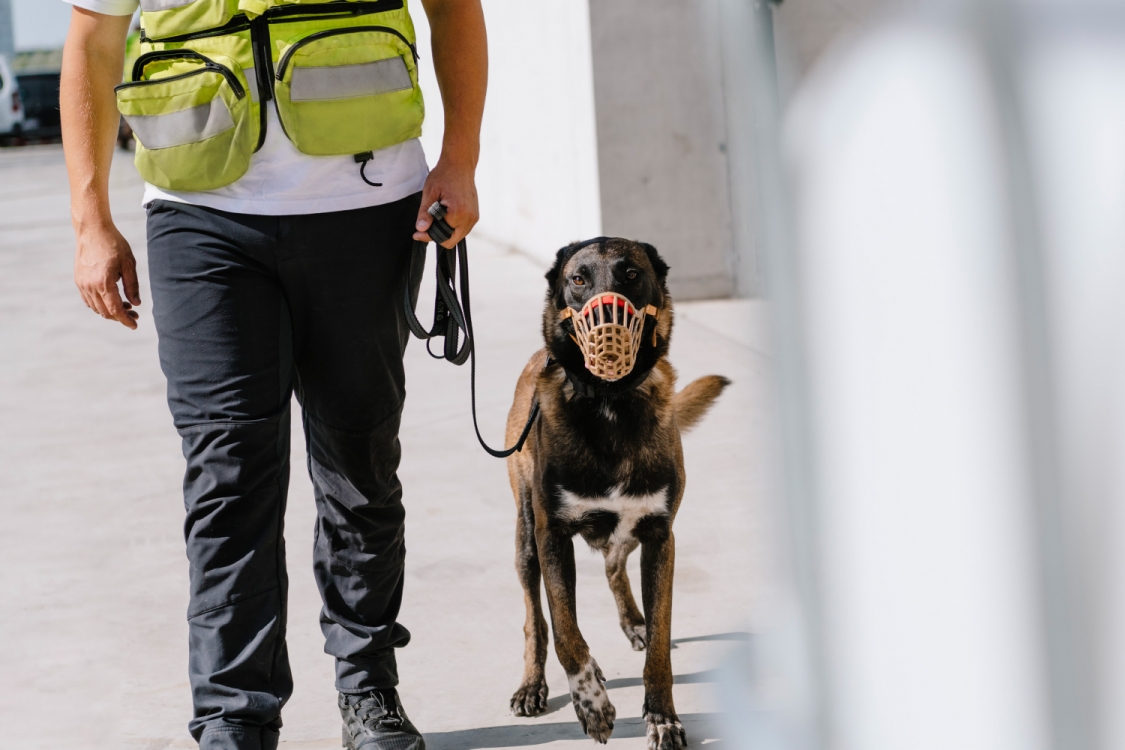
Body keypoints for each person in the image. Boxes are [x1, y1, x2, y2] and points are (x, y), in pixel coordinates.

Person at [59, 0, 487, 748]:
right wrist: (90, 219)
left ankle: (368, 687)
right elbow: (91, 43)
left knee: (358, 462)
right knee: (226, 474)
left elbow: (453, 8)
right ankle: (233, 717)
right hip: (198, 215)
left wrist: (461, 159)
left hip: (366, 203)